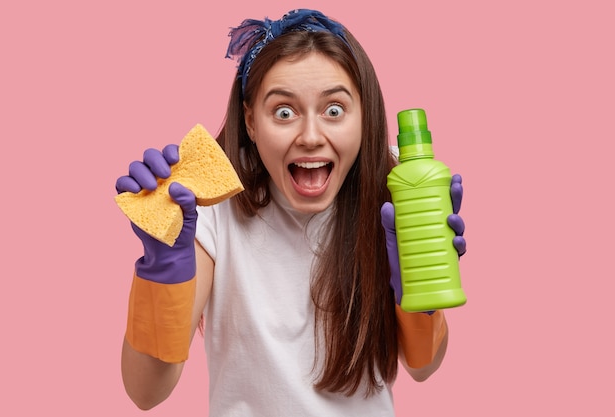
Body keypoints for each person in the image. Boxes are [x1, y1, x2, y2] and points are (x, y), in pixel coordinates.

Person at [115, 9, 467, 417]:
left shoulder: (395, 191)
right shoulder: (211, 208)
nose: (312, 137)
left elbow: (424, 367)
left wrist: (420, 295)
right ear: (250, 121)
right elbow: (145, 392)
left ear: (364, 116)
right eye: (284, 112)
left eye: (334, 110)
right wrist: (162, 273)